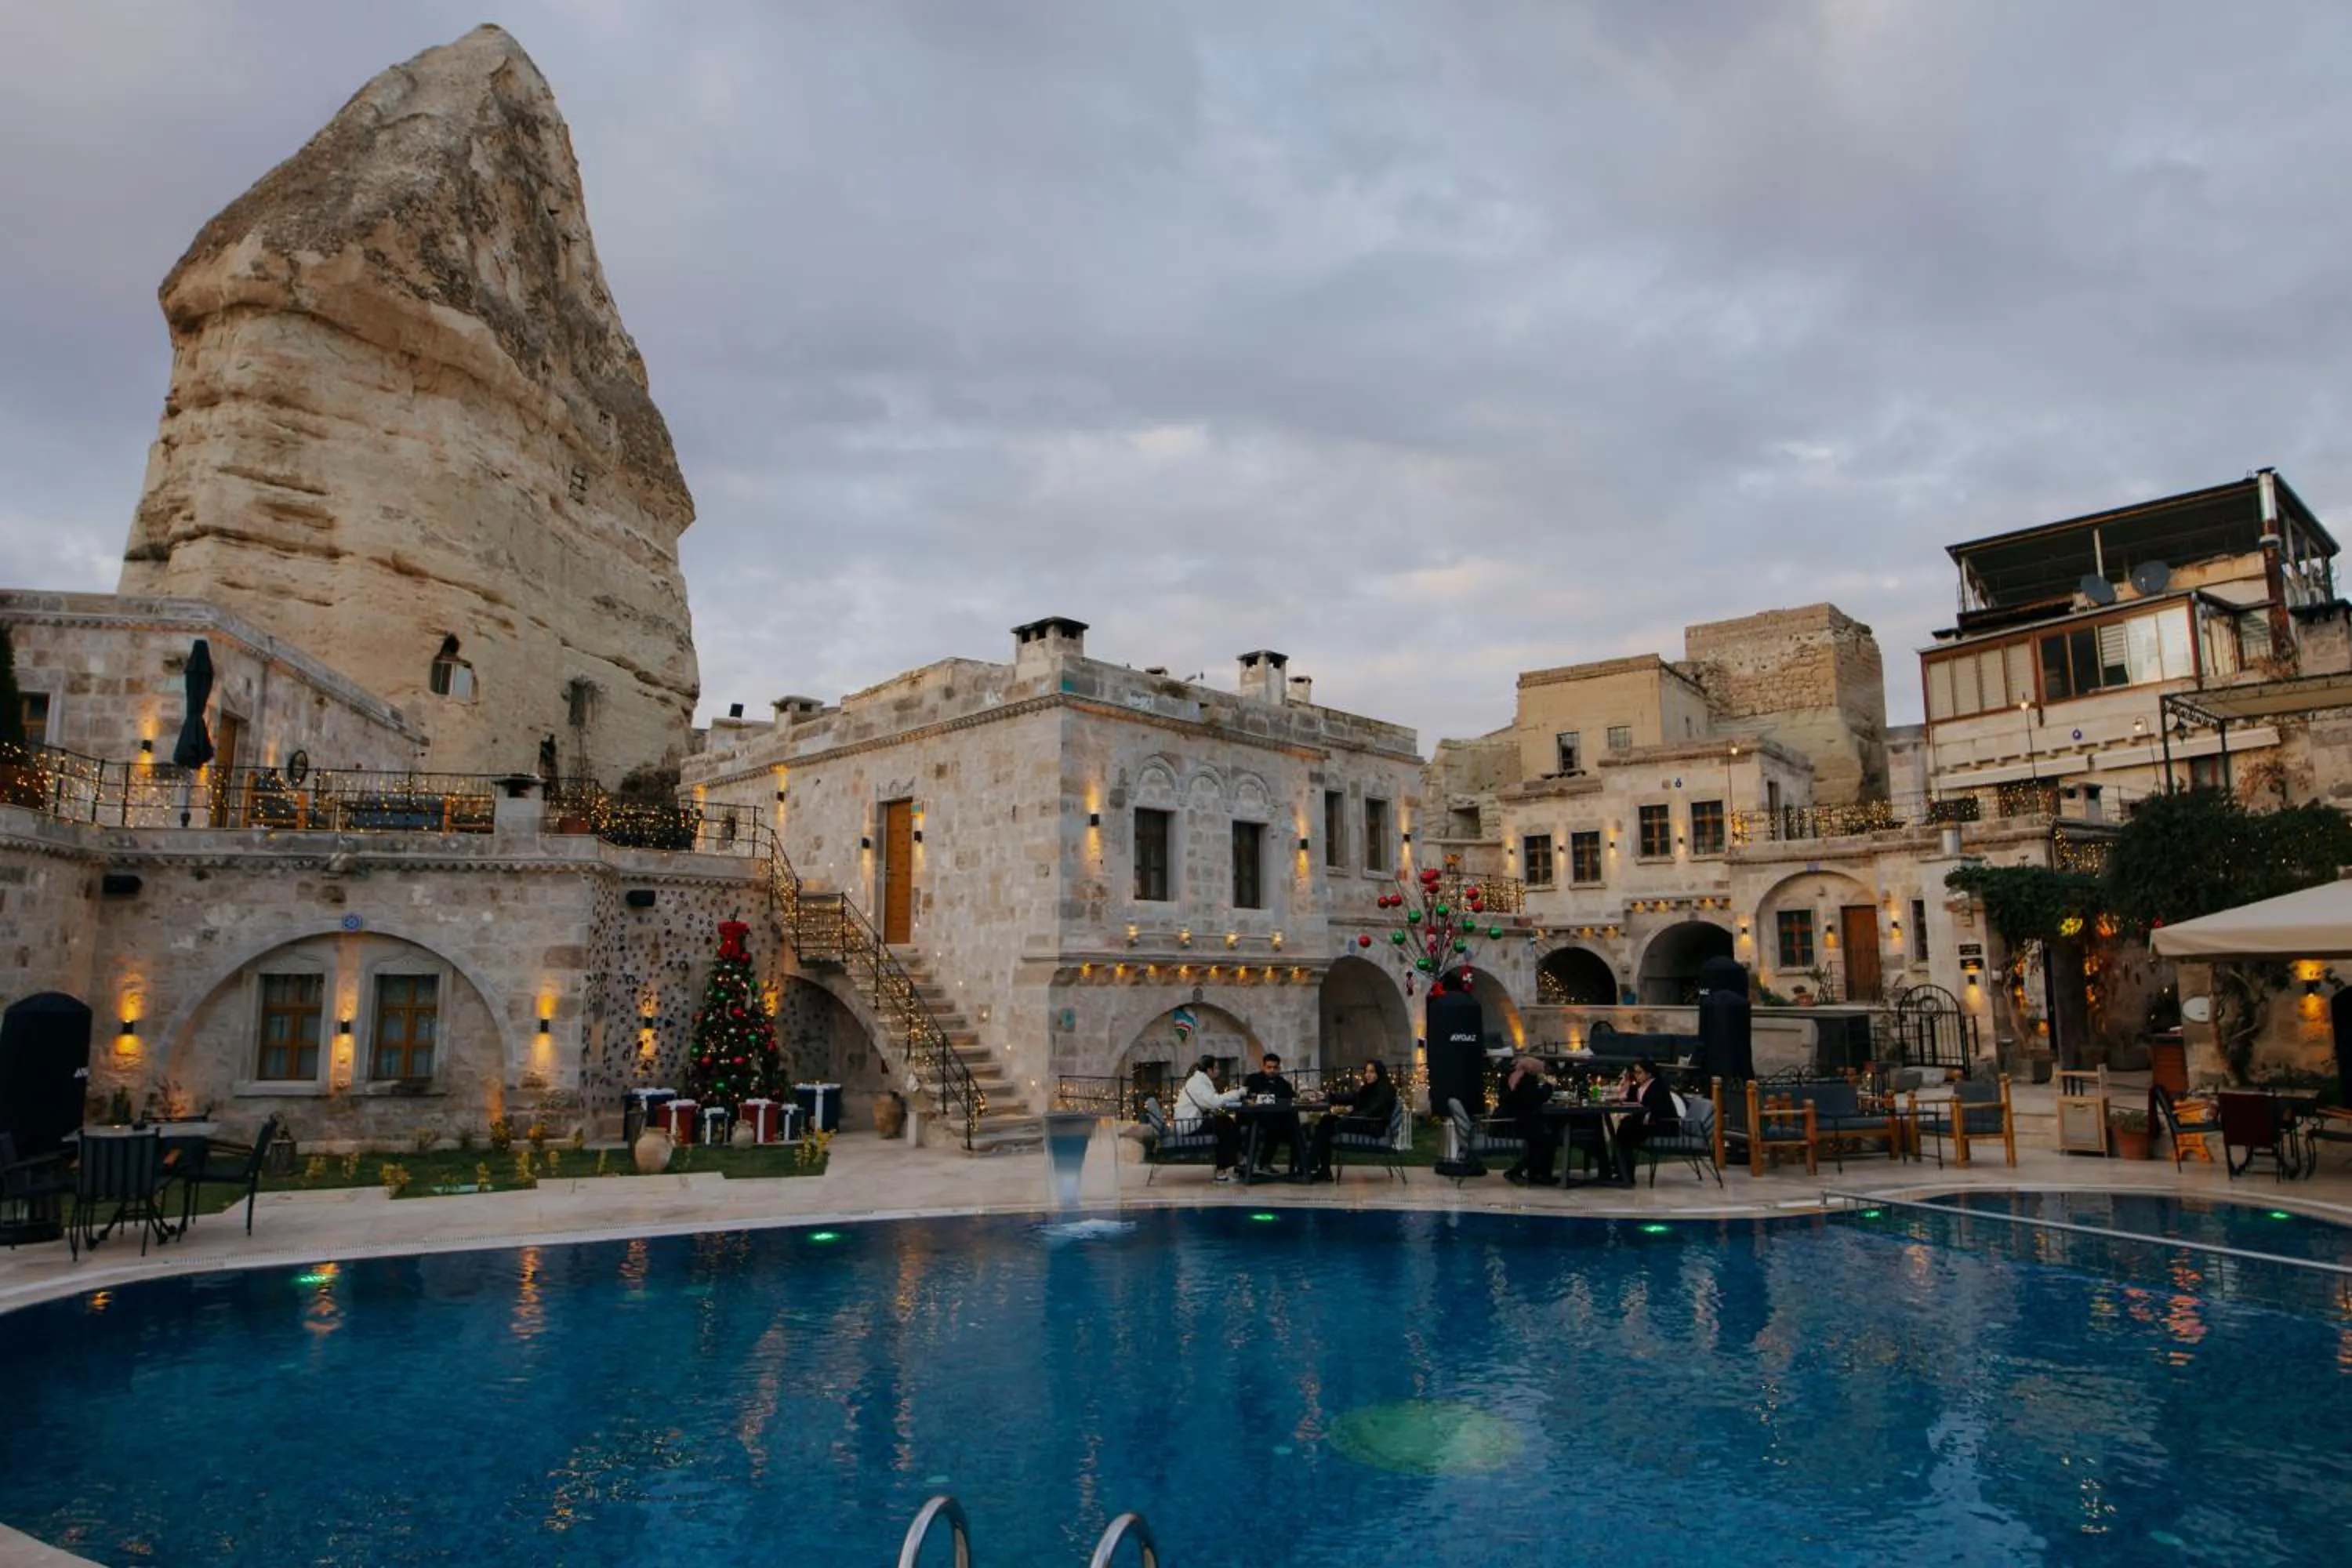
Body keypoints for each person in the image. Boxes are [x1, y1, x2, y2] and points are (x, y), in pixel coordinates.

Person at [1306, 1059, 1399, 1181]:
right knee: (1326, 1120)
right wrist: (1328, 1096)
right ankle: (1320, 1168)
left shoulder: (1384, 1090)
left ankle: (1314, 1165)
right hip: (1361, 1121)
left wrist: (1349, 1114)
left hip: (1371, 1125)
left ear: (1379, 1073)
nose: (1368, 1075)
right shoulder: (1369, 1088)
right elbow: (1352, 1097)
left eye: (1372, 1072)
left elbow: (1371, 1111)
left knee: (1327, 1126)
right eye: (1366, 1072)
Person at [1173, 1054, 1243, 1181]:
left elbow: (1211, 1102)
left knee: (1226, 1122)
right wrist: (1237, 1093)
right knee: (1224, 1124)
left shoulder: (1199, 1080)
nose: (1219, 1071)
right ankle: (1222, 1171)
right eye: (1216, 1068)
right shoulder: (1198, 1083)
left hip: (1193, 1122)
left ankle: (1239, 1160)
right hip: (1189, 1125)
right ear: (1208, 1070)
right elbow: (1213, 1102)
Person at [1613, 1056, 1680, 1185]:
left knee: (1625, 1131)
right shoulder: (1639, 1087)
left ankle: (1625, 1173)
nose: (1636, 1076)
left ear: (1648, 1073)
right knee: (1624, 1128)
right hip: (1647, 1124)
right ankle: (1620, 1170)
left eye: (1639, 1072)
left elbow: (1656, 1111)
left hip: (1662, 1126)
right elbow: (1630, 1102)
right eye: (1635, 1072)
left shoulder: (1657, 1088)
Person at [1497, 1054, 1559, 1186]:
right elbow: (1537, 1098)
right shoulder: (1525, 1079)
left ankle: (1534, 1172)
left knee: (1544, 1132)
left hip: (1510, 1120)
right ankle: (1539, 1174)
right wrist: (1548, 1085)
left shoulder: (1512, 1075)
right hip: (1514, 1124)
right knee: (1547, 1136)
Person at [1240, 1051, 1304, 1176]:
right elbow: (1246, 1097)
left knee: (1290, 1126)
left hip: (1275, 1120)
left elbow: (1290, 1099)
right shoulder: (1253, 1080)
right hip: (1254, 1118)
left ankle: (1301, 1164)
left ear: (1279, 1068)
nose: (1272, 1070)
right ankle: (1250, 1164)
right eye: (1269, 1067)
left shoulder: (1284, 1084)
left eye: (1275, 1068)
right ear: (1263, 1067)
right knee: (1273, 1128)